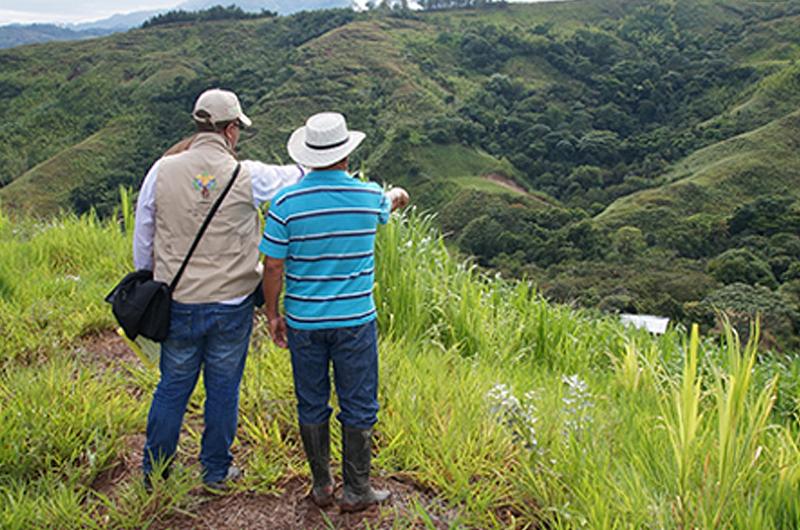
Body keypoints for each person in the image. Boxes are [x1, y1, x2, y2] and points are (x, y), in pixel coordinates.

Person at [133, 88, 307, 489]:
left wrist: (152, 280)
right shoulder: (249, 175)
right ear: (231, 130)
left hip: (178, 301)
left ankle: (155, 474)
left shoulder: (161, 171)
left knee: (172, 388)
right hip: (231, 303)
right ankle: (215, 471)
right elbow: (295, 177)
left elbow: (144, 238)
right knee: (223, 389)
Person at [260, 112, 409, 512]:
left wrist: (273, 314)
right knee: (358, 401)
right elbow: (390, 203)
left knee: (311, 400)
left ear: (308, 156)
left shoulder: (285, 203)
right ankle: (358, 490)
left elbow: (273, 266)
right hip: (355, 321)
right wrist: (397, 195)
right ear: (346, 155)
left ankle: (322, 486)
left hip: (305, 322)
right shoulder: (367, 196)